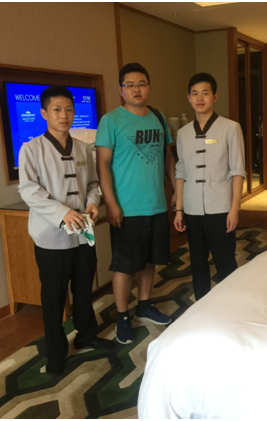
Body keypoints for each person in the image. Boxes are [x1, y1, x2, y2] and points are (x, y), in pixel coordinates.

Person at [19, 86, 115, 376]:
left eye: (69, 109)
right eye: (57, 110)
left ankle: (86, 334)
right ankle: (56, 352)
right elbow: (29, 191)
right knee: (53, 298)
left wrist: (93, 202)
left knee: (84, 289)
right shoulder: (31, 149)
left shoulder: (83, 149)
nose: (64, 115)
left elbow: (92, 184)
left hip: (83, 235)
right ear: (44, 113)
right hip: (51, 239)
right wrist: (62, 213)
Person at [96, 63, 176, 345]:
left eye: (141, 84)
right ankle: (122, 316)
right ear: (121, 90)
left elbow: (168, 157)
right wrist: (110, 203)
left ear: (149, 87)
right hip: (126, 208)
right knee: (125, 265)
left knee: (149, 260)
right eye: (129, 85)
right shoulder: (111, 120)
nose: (136, 89)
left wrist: (175, 190)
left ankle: (144, 304)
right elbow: (102, 164)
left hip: (156, 204)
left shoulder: (158, 117)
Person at [174, 73, 246, 300]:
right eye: (195, 93)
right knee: (197, 262)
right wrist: (179, 209)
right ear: (189, 97)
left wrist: (234, 208)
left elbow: (237, 170)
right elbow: (181, 171)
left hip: (221, 207)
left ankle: (230, 304)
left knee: (225, 262)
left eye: (205, 93)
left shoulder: (231, 128)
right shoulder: (183, 133)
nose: (200, 98)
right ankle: (202, 305)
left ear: (214, 96)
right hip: (192, 208)